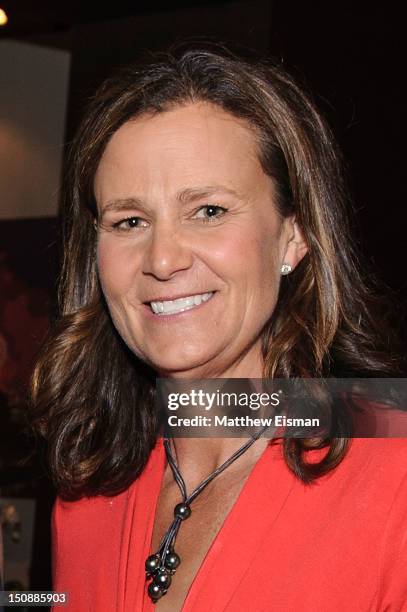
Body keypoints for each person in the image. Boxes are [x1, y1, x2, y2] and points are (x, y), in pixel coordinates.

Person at [29, 45, 407, 611]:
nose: (162, 258)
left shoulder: (393, 471)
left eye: (208, 211)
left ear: (294, 235)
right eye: (129, 220)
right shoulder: (88, 489)